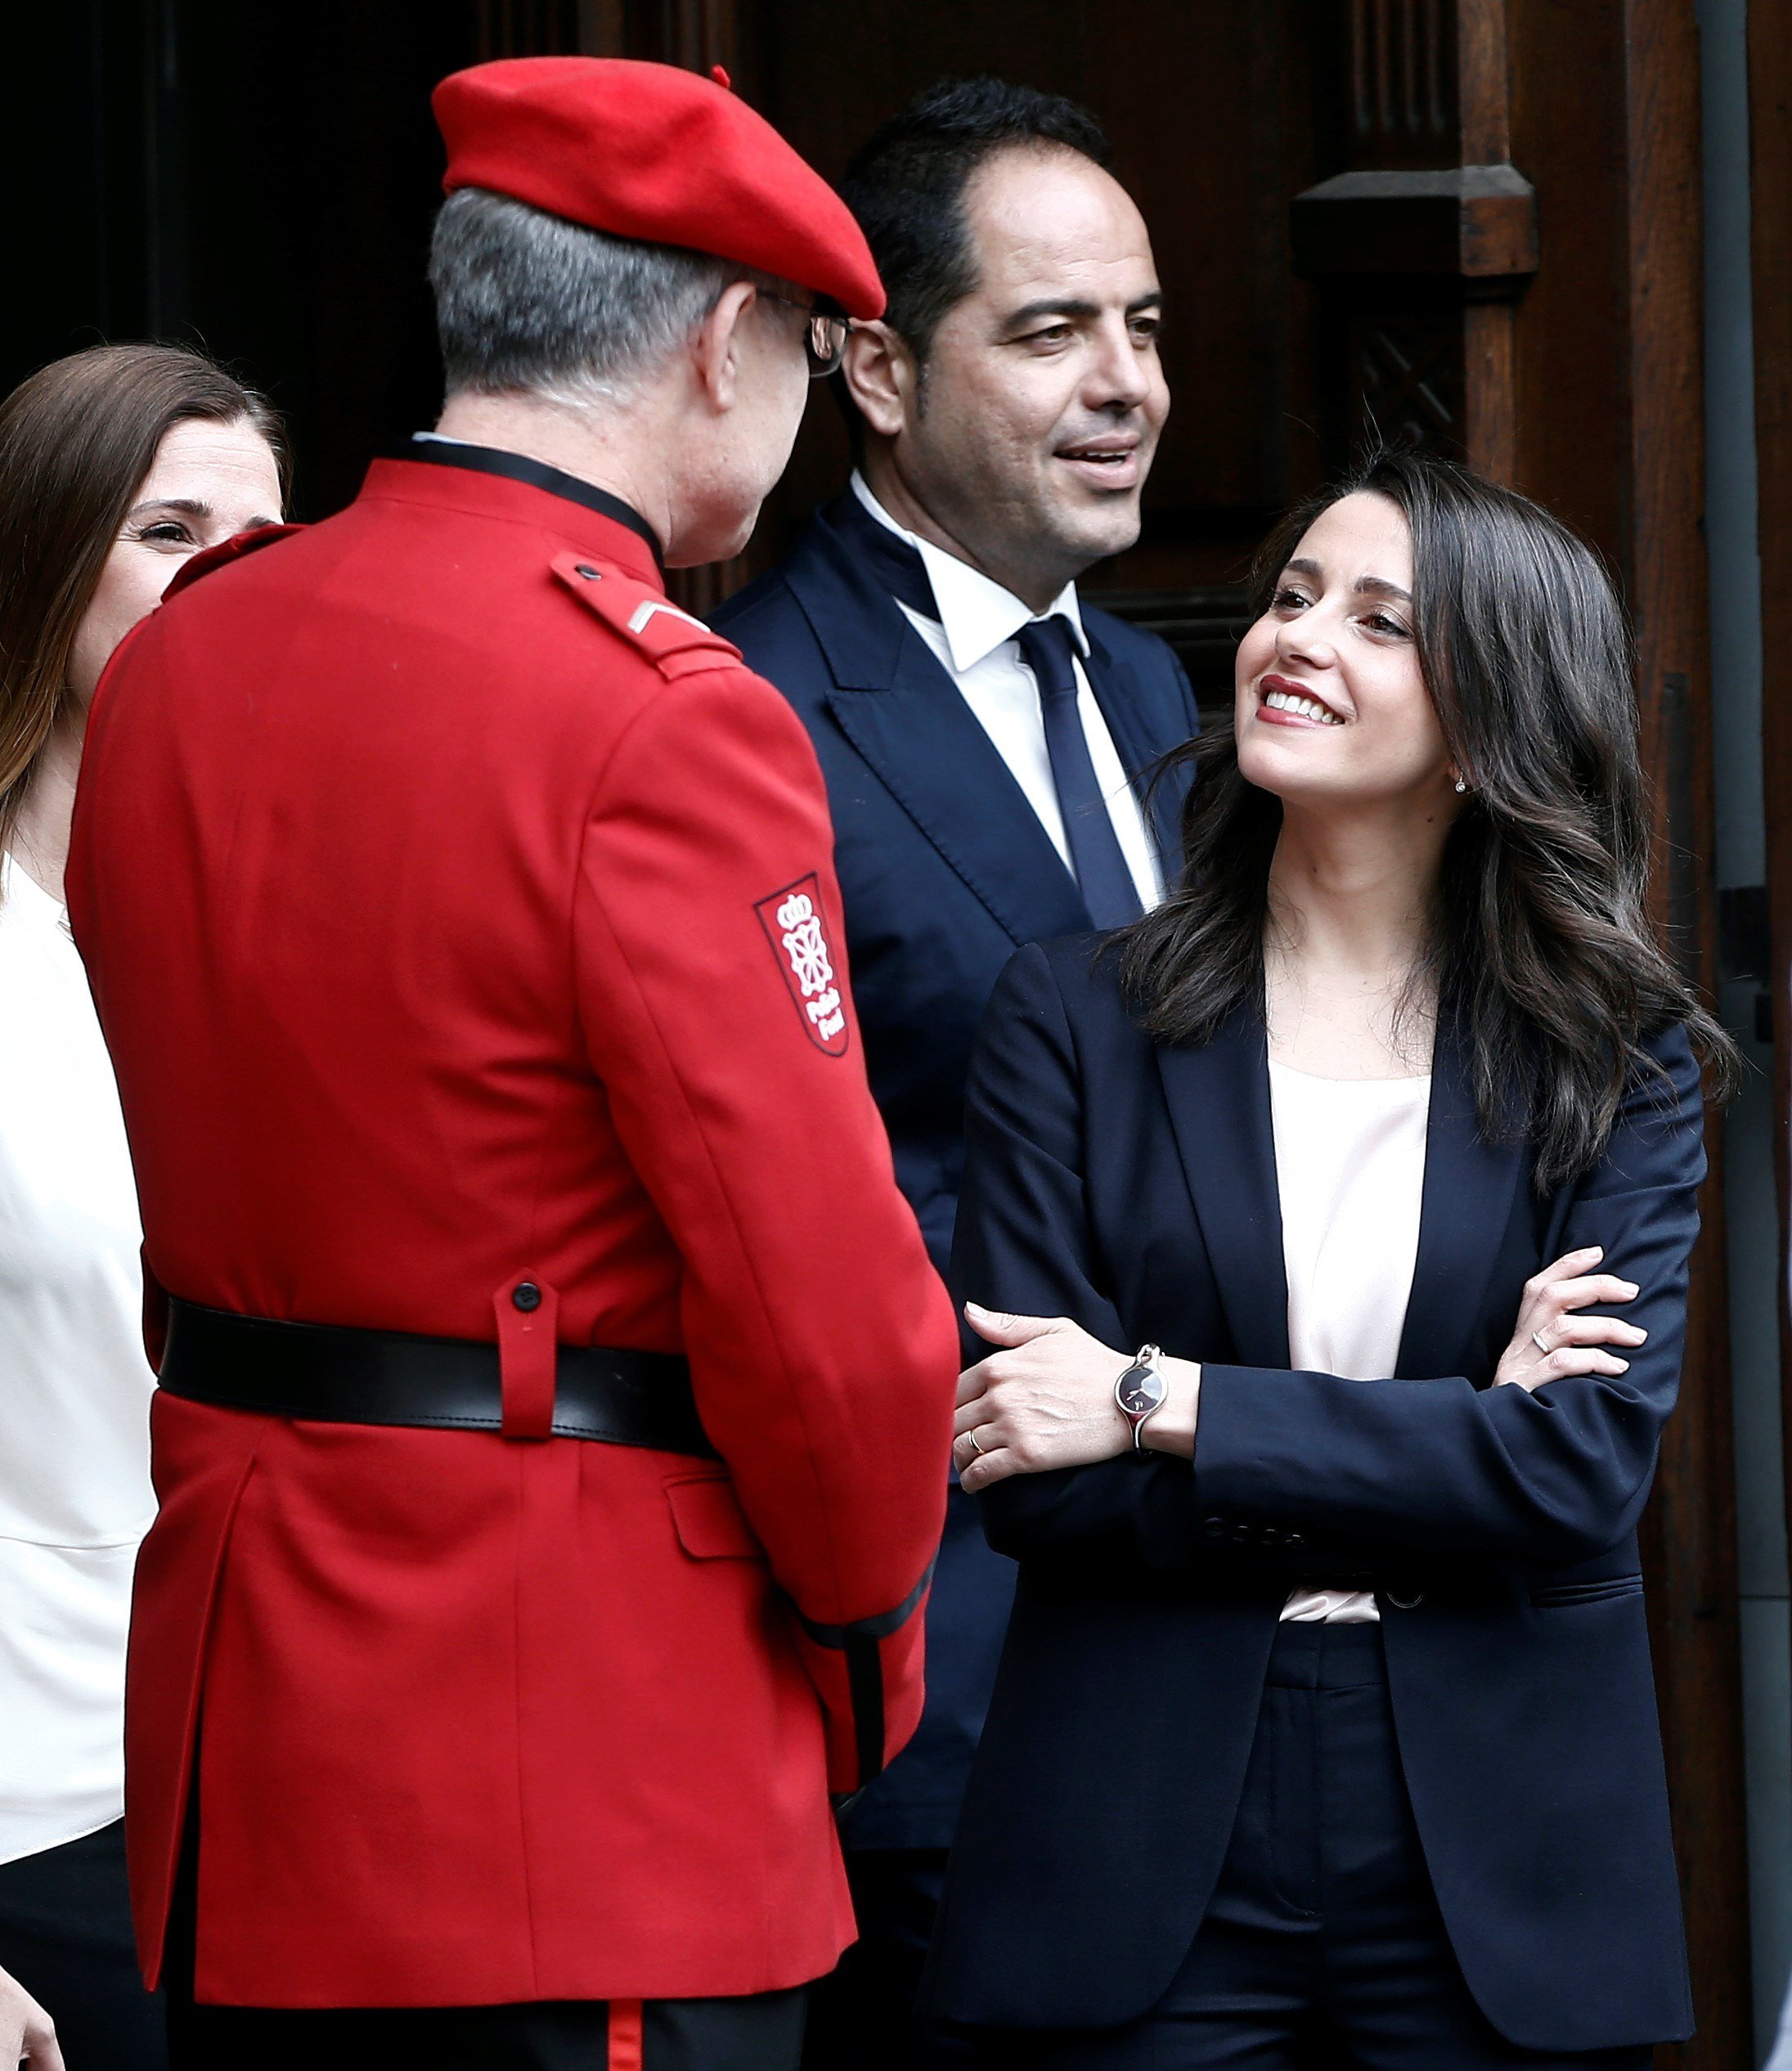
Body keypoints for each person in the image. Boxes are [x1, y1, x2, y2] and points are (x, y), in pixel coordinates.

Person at [65, 57, 957, 2071]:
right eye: (815, 354)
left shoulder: (186, 659)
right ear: (729, 342)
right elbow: (832, 1336)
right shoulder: (662, 718)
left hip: (257, 1757)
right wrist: (862, 1642)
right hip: (577, 1775)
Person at [923, 449, 1738, 2067]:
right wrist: (1452, 1440)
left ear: (1493, 717)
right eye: (1292, 598)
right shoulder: (1072, 1017)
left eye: (1381, 622)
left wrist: (1159, 1398)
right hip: (1139, 1818)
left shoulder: (1612, 1057)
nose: (1297, 640)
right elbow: (1038, 1472)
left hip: (1497, 1840)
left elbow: (1576, 1472)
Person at [714, 79, 1196, 2064]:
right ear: (878, 368)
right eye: (1051, 330)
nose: (1126, 386)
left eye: (1146, 326)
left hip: (1196, 1623)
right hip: (937, 1657)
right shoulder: (737, 705)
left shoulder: (1162, 683)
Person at [0, 343, 286, 2071]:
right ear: (41, 562)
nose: (227, 577)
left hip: (307, 1795)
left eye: (264, 538)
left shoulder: (328, 931)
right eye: (171, 529)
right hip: (40, 1815)